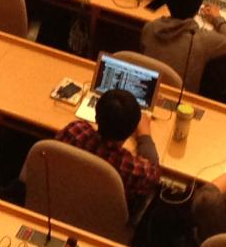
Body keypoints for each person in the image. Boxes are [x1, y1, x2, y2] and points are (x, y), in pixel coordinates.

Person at [58, 87, 161, 215]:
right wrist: (144, 134)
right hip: (101, 220)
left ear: (96, 116)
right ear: (132, 130)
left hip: (61, 204)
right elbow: (154, 174)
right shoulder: (132, 169)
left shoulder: (74, 131)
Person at [138, 0, 226, 96]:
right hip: (181, 102)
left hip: (146, 92)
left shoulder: (149, 28)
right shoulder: (202, 40)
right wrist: (217, 18)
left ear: (167, 3)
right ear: (198, 10)